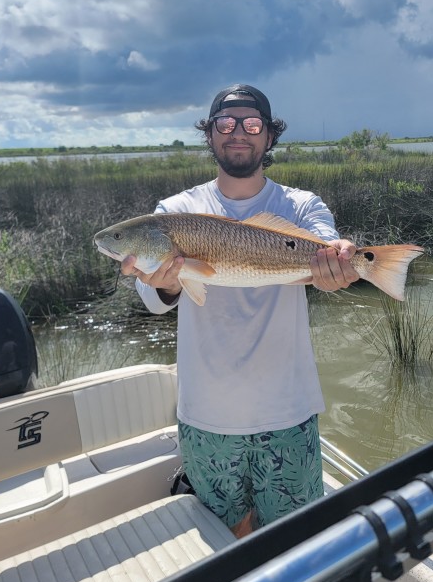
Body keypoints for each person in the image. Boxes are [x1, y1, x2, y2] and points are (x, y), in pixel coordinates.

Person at [121, 84, 359, 537]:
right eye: (225, 125)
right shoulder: (176, 211)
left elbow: (327, 247)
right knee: (222, 536)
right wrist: (167, 282)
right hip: (208, 415)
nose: (238, 134)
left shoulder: (300, 205)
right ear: (209, 135)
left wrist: (341, 260)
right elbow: (153, 300)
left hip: (288, 410)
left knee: (294, 536)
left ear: (269, 136)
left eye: (252, 125)